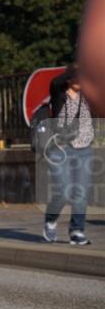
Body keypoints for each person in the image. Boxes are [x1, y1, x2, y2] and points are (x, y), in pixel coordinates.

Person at [42, 63, 94, 246]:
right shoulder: (58, 94)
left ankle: (77, 231)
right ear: (70, 78)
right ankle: (50, 219)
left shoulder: (88, 95)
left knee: (80, 193)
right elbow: (56, 81)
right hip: (60, 149)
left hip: (84, 149)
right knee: (63, 191)